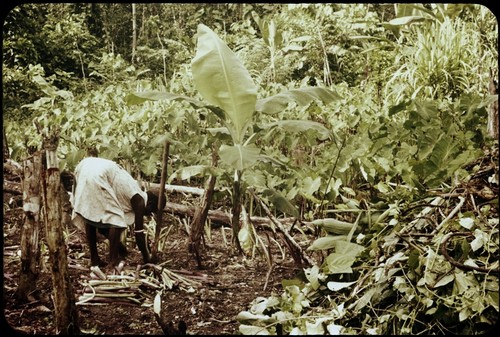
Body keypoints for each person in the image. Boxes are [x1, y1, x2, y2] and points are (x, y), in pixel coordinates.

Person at [71, 157, 165, 267]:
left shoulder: (132, 191)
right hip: (98, 174)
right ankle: (113, 262)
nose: (149, 214)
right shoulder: (139, 201)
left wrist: (120, 246)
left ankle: (95, 260)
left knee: (92, 216)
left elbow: (103, 228)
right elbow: (138, 235)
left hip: (85, 166)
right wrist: (147, 258)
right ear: (150, 204)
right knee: (116, 221)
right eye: (152, 211)